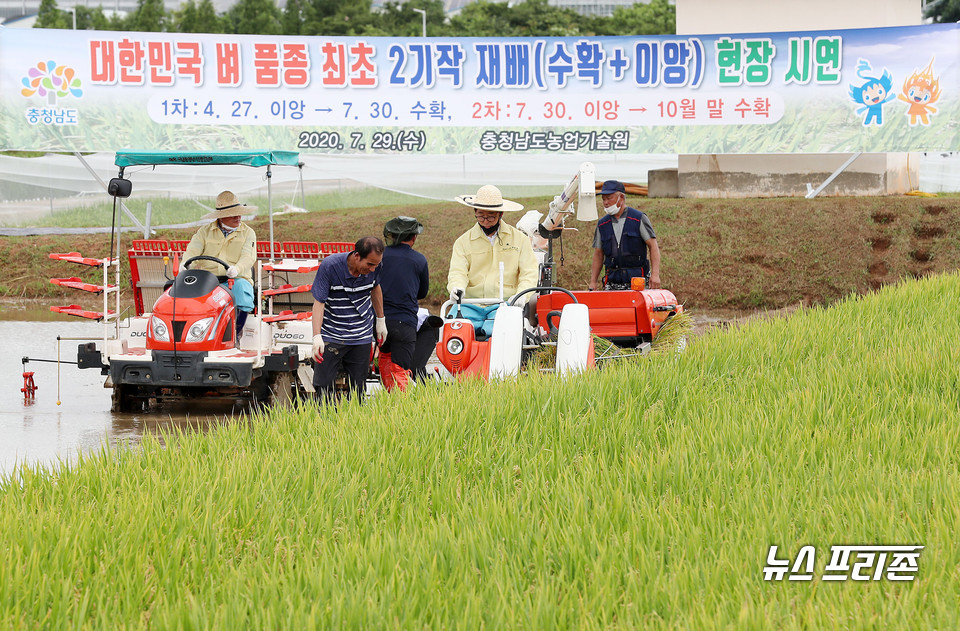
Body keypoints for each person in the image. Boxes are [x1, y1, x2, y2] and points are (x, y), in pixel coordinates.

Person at [310, 236, 388, 401]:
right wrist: (317, 335)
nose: (373, 269)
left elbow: (375, 287)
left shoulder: (376, 267)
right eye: (370, 264)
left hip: (361, 335)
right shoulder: (330, 267)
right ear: (357, 256)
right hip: (332, 334)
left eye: (376, 264)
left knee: (358, 388)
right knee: (323, 388)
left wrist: (381, 320)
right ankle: (325, 422)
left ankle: (354, 423)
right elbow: (319, 303)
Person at [182, 190, 257, 342]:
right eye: (233, 214)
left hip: (235, 279)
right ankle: (192, 335)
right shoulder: (204, 232)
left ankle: (234, 335)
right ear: (221, 216)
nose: (238, 217)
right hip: (207, 280)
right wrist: (185, 265)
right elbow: (192, 251)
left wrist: (237, 269)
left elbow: (248, 257)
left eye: (239, 213)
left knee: (242, 291)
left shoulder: (248, 233)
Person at [447, 185, 539, 303]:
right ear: (475, 212)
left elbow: (529, 272)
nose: (485, 222)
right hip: (470, 303)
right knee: (455, 322)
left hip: (506, 303)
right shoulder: (463, 242)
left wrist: (521, 295)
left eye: (491, 217)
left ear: (500, 214)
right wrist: (457, 287)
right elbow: (457, 272)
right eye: (480, 216)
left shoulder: (520, 240)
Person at [378, 216, 430, 392]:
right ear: (413, 237)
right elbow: (422, 293)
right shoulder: (419, 260)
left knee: (385, 359)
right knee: (400, 369)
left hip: (380, 321)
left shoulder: (379, 256)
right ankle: (403, 409)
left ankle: (389, 399)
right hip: (404, 322)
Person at [589, 180, 661, 291]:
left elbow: (653, 246)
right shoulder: (602, 224)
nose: (606, 202)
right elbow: (598, 254)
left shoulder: (638, 218)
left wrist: (655, 275)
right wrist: (593, 282)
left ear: (621, 198)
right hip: (612, 282)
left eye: (609, 198)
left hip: (637, 281)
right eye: (603, 199)